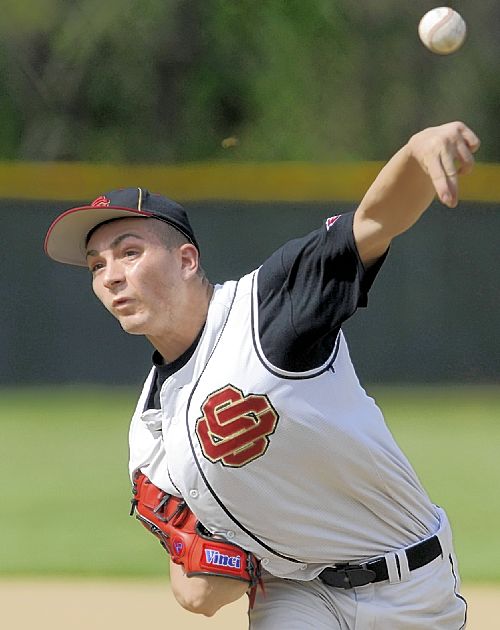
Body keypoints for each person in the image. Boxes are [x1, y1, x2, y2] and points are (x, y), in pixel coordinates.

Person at [44, 121, 479, 629]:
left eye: (130, 252)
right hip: (295, 593)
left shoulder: (266, 307)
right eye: (97, 265)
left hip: (411, 583)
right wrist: (221, 561)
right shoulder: (150, 434)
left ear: (186, 260)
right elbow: (199, 593)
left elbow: (374, 223)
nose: (111, 275)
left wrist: (414, 152)